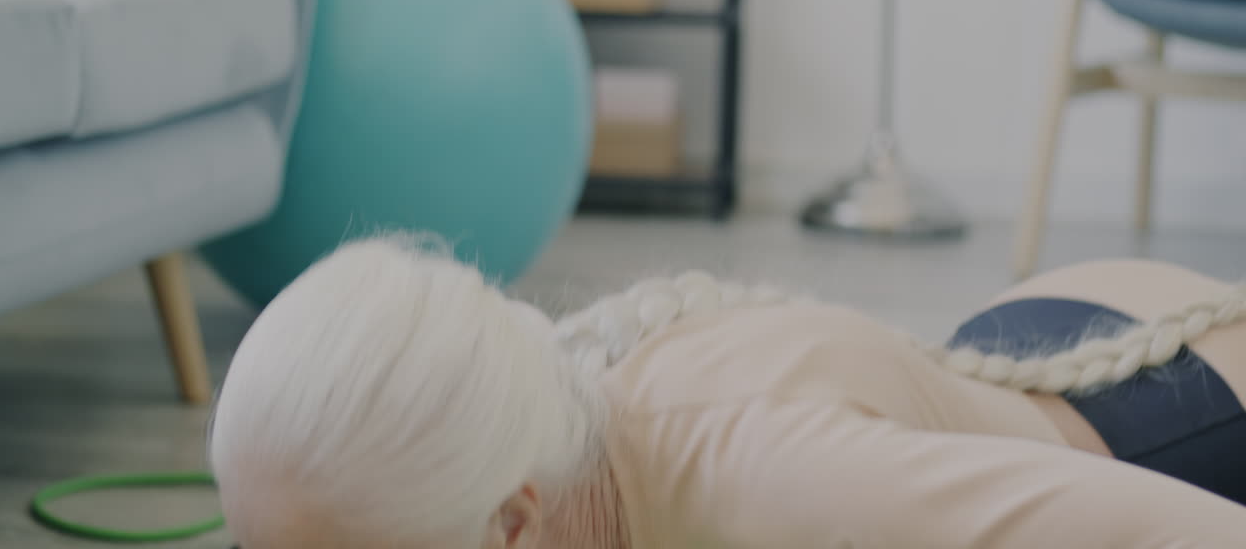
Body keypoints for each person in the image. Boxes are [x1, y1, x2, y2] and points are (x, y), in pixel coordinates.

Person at [209, 237, 1246, 548]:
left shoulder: (775, 489)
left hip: (1185, 420)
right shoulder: (535, 424)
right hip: (1042, 345)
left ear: (511, 529)